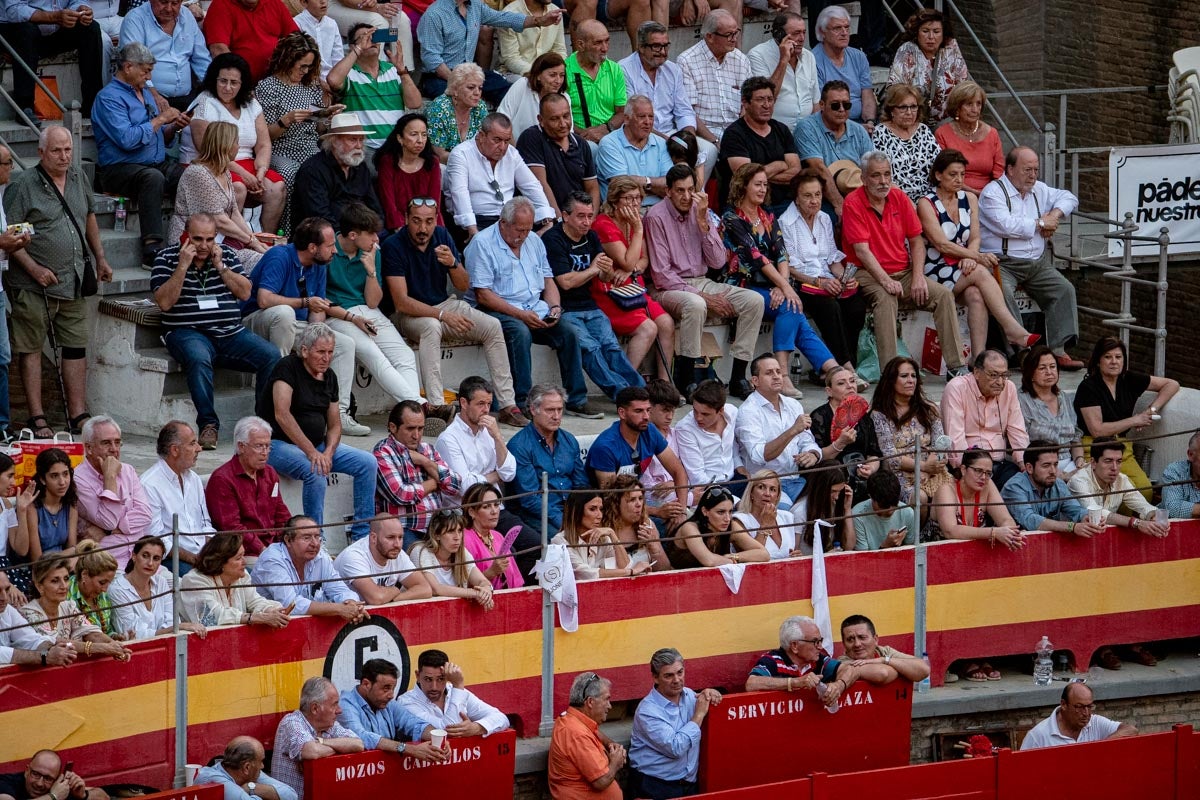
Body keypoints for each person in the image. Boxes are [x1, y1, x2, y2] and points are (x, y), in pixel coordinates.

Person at [4, 126, 111, 439]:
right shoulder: (24, 184)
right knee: (32, 347)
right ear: (41, 153)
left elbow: (89, 216)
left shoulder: (78, 176)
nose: (64, 156)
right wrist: (34, 268)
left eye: (68, 150)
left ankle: (78, 412)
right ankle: (37, 415)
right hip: (34, 283)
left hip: (74, 279)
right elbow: (10, 233)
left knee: (76, 345)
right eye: (56, 151)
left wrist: (100, 257)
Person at [384, 200, 525, 428]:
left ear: (436, 219)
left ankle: (508, 405)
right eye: (417, 221)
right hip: (408, 316)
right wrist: (441, 315)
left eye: (429, 221)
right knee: (432, 326)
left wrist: (453, 264)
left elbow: (463, 285)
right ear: (406, 219)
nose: (423, 228)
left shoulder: (442, 235)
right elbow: (401, 302)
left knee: (492, 326)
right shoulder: (394, 245)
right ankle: (436, 406)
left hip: (443, 306)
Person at [465, 198, 601, 418]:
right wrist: (520, 315)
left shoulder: (534, 241)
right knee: (520, 332)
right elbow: (483, 295)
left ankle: (576, 399)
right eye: (519, 230)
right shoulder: (482, 243)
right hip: (497, 308)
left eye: (528, 229)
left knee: (568, 331)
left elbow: (548, 280)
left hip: (533, 307)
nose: (523, 236)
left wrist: (555, 306)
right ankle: (522, 401)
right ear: (503, 223)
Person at [152, 214, 280, 449]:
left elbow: (244, 292)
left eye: (209, 239)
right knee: (199, 357)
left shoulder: (227, 255)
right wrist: (182, 266)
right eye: (197, 239)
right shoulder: (166, 258)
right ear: (185, 236)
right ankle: (209, 425)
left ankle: (261, 424)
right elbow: (164, 303)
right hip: (187, 331)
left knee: (271, 356)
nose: (203, 246)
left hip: (230, 332)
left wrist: (221, 267)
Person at [646, 164, 764, 399]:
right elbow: (661, 274)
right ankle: (687, 380)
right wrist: (703, 296)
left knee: (754, 300)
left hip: (701, 280)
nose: (687, 196)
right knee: (696, 304)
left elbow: (718, 261)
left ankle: (739, 376)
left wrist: (703, 223)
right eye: (680, 191)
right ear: (668, 191)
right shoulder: (655, 216)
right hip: (667, 287)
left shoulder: (700, 211)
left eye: (691, 190)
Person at [843, 151, 966, 375]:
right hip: (866, 272)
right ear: (863, 178)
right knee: (885, 297)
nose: (883, 181)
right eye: (876, 176)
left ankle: (956, 366)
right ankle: (892, 372)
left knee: (943, 295)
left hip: (904, 271)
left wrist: (918, 277)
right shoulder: (853, 203)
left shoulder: (899, 197)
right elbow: (862, 251)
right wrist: (885, 280)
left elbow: (916, 241)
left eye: (887, 174)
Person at [720, 163, 839, 396]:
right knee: (791, 305)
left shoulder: (767, 216)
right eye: (757, 184)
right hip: (743, 284)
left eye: (765, 184)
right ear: (743, 186)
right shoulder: (732, 218)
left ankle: (832, 370)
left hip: (771, 285)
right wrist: (786, 287)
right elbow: (756, 258)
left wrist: (780, 286)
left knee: (794, 310)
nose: (763, 189)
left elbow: (781, 253)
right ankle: (786, 375)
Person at [242, 218, 366, 436]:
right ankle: (280, 394)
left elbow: (317, 306)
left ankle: (341, 413)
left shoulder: (319, 264)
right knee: (284, 313)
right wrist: (305, 303)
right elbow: (264, 299)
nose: (334, 251)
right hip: (255, 321)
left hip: (294, 324)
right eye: (329, 246)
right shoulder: (279, 256)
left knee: (344, 344)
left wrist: (316, 337)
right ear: (312, 247)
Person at [255, 323, 379, 539]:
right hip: (277, 443)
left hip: (318, 445)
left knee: (367, 463)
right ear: (304, 351)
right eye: (321, 352)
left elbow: (335, 424)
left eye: (330, 352)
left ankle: (362, 535)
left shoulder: (329, 376)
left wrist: (329, 452)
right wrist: (312, 453)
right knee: (316, 471)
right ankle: (316, 538)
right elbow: (282, 414)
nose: (326, 357)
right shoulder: (287, 367)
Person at [325, 203, 443, 425]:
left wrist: (370, 271)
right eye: (370, 234)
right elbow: (321, 301)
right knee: (374, 355)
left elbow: (373, 301)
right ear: (352, 235)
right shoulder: (329, 250)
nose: (376, 239)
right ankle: (421, 409)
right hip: (339, 314)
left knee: (405, 356)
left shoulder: (371, 252)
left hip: (369, 310)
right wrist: (352, 318)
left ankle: (409, 415)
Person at [919, 149, 1039, 358]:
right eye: (952, 174)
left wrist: (969, 256)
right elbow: (941, 244)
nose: (959, 180)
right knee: (982, 272)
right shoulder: (926, 203)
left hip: (963, 265)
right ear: (938, 175)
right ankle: (1011, 328)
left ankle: (978, 359)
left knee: (976, 296)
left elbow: (975, 237)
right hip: (936, 267)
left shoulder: (969, 199)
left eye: (962, 175)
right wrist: (976, 257)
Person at [979, 146, 1083, 370]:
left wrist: (1053, 215)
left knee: (1064, 289)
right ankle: (1022, 352)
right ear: (1010, 169)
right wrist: (1041, 224)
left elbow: (1069, 197)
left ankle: (1058, 350)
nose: (1033, 175)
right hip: (1002, 262)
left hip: (1036, 262)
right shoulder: (993, 192)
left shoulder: (1040, 190)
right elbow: (1006, 225)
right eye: (1027, 169)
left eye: (1036, 169)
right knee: (1001, 293)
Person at [92, 43, 187, 266]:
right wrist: (161, 119)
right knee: (152, 178)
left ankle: (187, 239)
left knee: (191, 175)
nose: (149, 76)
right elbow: (127, 140)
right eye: (145, 70)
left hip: (154, 162)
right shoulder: (108, 98)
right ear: (127, 67)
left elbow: (161, 135)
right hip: (119, 168)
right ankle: (151, 249)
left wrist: (173, 126)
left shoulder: (146, 93)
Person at [544, 195, 646, 402]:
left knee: (610, 346)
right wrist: (593, 269)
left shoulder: (590, 237)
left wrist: (606, 271)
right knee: (591, 348)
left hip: (590, 305)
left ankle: (639, 390)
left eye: (590, 216)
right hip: (565, 308)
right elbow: (565, 282)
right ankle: (623, 394)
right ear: (565, 216)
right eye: (581, 216)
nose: (587, 222)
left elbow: (603, 275)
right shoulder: (553, 239)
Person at [183, 54, 285, 234]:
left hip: (246, 163)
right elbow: (208, 151)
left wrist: (260, 172)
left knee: (276, 188)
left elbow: (263, 145)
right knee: (237, 187)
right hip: (211, 164)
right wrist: (245, 175)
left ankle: (265, 240)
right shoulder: (204, 102)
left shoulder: (251, 103)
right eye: (223, 81)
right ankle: (231, 242)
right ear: (214, 79)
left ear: (242, 83)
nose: (227, 88)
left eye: (234, 83)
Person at [779, 171, 867, 373]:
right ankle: (843, 368)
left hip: (826, 280)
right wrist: (819, 282)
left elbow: (831, 259)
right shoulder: (786, 222)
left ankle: (845, 363)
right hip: (802, 283)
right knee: (830, 307)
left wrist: (844, 277)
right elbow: (790, 267)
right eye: (807, 196)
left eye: (817, 195)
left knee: (856, 304)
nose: (814, 201)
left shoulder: (824, 218)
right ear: (797, 198)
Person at [256, 33, 342, 231]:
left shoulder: (310, 85)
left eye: (309, 66)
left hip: (310, 145)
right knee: (291, 172)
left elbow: (317, 129)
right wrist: (286, 120)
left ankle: (325, 229)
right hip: (280, 148)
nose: (305, 70)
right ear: (287, 60)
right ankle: (286, 231)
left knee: (329, 169)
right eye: (301, 66)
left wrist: (326, 116)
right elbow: (264, 136)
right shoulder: (268, 87)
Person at [1073, 336, 1179, 495]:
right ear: (1098, 361)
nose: (1114, 361)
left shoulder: (1128, 379)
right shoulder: (1089, 387)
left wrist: (1150, 411)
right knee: (1116, 494)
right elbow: (1097, 430)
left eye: (1118, 357)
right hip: (1094, 448)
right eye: (1107, 357)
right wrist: (1134, 420)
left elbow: (1172, 384)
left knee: (1145, 491)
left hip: (1122, 448)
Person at [591, 179, 674, 382]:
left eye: (637, 198)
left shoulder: (635, 220)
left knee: (666, 322)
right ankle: (625, 383)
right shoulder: (604, 224)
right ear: (615, 200)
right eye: (628, 198)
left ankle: (663, 383)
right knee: (648, 327)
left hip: (633, 286)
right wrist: (637, 230)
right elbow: (627, 261)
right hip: (610, 289)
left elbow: (643, 260)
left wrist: (632, 270)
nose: (634, 204)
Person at [416, 0, 562, 105]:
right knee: (455, 101)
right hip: (441, 76)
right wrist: (457, 81)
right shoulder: (434, 14)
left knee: (510, 93)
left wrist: (539, 21)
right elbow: (431, 58)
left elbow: (504, 18)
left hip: (469, 72)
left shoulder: (475, 6)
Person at [628, 648, 722, 799]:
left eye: (680, 672)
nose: (677, 680)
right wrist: (699, 715)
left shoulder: (690, 695)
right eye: (668, 675)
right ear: (655, 678)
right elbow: (675, 747)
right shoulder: (647, 710)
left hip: (688, 784)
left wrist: (712, 694)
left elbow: (706, 703)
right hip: (654, 786)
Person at [619, 22, 715, 169]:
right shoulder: (623, 69)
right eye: (656, 46)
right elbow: (632, 117)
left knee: (709, 151)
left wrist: (689, 138)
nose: (663, 52)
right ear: (641, 47)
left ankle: (694, 190)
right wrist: (670, 142)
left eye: (666, 46)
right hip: (642, 132)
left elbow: (684, 110)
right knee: (669, 152)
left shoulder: (673, 70)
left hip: (673, 131)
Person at [170, 122, 272, 260]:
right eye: (236, 142)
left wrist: (254, 240)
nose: (238, 146)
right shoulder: (199, 173)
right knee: (262, 261)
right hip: (193, 245)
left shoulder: (224, 171)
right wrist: (251, 242)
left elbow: (234, 213)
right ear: (226, 145)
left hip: (217, 241)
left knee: (269, 257)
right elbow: (219, 220)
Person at [447, 113, 555, 241]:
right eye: (497, 140)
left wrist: (546, 220)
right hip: (478, 220)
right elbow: (460, 193)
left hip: (510, 220)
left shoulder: (511, 153)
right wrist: (472, 229)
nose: (503, 147)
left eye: (507, 141)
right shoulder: (461, 154)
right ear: (482, 136)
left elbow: (531, 186)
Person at [734, 354, 822, 505]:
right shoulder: (748, 411)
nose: (776, 377)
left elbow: (807, 440)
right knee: (785, 515)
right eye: (769, 373)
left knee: (819, 508)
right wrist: (792, 430)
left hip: (794, 480)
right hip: (763, 485)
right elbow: (758, 455)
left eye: (778, 372)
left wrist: (812, 454)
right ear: (755, 381)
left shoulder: (793, 405)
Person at [374, 401, 461, 547]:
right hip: (404, 530)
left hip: (437, 527)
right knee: (422, 563)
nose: (416, 435)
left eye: (421, 429)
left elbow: (454, 485)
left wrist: (425, 462)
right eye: (410, 429)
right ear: (393, 427)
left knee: (465, 559)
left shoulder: (427, 450)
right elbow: (401, 495)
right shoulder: (383, 452)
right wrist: (434, 483)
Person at [205, 416, 294, 558]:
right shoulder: (222, 479)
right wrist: (264, 550)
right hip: (244, 553)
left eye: (268, 446)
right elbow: (232, 528)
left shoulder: (270, 473)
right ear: (241, 447)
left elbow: (281, 513)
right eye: (259, 446)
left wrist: (291, 541)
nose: (265, 452)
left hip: (274, 547)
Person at [252, 516, 370, 621]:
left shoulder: (320, 557)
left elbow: (341, 590)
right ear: (288, 540)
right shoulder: (272, 559)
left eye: (317, 537)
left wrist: (353, 606)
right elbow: (290, 604)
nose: (315, 543)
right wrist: (339, 609)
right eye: (306, 538)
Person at [941, 349, 1030, 488]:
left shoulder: (1009, 388)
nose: (1000, 382)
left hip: (1000, 464)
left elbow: (1017, 431)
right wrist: (970, 469)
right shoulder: (957, 388)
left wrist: (1024, 463)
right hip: (969, 467)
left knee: (1023, 485)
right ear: (977, 372)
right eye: (994, 375)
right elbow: (955, 440)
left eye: (1004, 375)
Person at [507, 384, 589, 532]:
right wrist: (565, 522)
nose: (556, 416)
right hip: (537, 515)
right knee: (562, 544)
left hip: (570, 511)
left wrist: (581, 515)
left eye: (560, 409)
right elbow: (530, 500)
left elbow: (581, 484)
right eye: (550, 410)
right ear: (533, 410)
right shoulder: (519, 446)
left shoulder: (569, 440)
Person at [870, 356, 951, 505]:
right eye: (904, 376)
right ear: (891, 380)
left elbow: (941, 443)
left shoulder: (929, 409)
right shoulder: (880, 414)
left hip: (934, 470)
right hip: (900, 474)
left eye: (914, 376)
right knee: (920, 498)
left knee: (951, 496)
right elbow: (891, 456)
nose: (911, 380)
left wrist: (931, 467)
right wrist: (923, 467)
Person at [326, 24, 421, 151]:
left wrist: (403, 72)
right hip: (363, 147)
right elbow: (332, 80)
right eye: (364, 37)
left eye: (374, 36)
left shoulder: (393, 70)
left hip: (396, 146)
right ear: (352, 46)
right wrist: (358, 49)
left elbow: (415, 103)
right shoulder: (349, 72)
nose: (371, 41)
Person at [73, 416, 153, 568]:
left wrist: (115, 529)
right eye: (106, 443)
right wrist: (109, 478)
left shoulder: (128, 470)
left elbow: (146, 514)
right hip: (108, 564)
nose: (114, 449)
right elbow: (108, 521)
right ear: (89, 448)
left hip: (139, 558)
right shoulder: (78, 479)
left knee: (177, 585)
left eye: (117, 442)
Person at [0, 0, 103, 117]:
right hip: (17, 30)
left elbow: (76, 1)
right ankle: (25, 107)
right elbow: (14, 10)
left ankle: (92, 106)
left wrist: (80, 9)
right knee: (26, 31)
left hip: (54, 29)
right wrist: (53, 17)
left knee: (91, 29)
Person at [716, 78, 802, 213]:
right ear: (745, 102)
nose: (766, 105)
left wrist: (760, 176)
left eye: (770, 99)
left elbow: (796, 171)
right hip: (745, 206)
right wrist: (779, 165)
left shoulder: (781, 130)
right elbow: (745, 177)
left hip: (784, 203)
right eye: (760, 99)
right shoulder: (734, 134)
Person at [140, 421, 217, 571]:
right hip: (173, 560)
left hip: (202, 555)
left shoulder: (193, 478)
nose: (199, 448)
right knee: (206, 583)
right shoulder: (149, 484)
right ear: (175, 450)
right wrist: (195, 559)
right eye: (192, 443)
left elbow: (205, 523)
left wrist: (211, 553)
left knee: (244, 575)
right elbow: (156, 539)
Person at [21, 557, 132, 660]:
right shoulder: (29, 613)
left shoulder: (69, 606)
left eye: (66, 579)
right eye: (55, 581)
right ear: (40, 586)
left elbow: (92, 633)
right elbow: (54, 643)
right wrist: (101, 648)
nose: (64, 586)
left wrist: (115, 647)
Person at [337, 658, 448, 761]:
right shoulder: (345, 705)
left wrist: (438, 739)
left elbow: (415, 724)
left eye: (393, 688)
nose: (391, 695)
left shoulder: (388, 703)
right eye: (386, 688)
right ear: (366, 684)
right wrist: (408, 749)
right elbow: (360, 738)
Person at [271, 677, 363, 798]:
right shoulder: (291, 722)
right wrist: (340, 748)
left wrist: (321, 742)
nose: (339, 710)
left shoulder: (330, 725)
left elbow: (358, 744)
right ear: (315, 708)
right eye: (334, 704)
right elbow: (312, 751)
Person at [792, 81, 873, 217]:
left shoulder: (858, 130)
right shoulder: (807, 127)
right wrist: (840, 205)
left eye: (846, 105)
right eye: (835, 105)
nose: (842, 109)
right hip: (822, 195)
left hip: (858, 191)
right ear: (822, 105)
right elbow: (818, 168)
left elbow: (871, 167)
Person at [293, 112, 386, 227]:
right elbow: (320, 216)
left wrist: (375, 230)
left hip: (361, 233)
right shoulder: (313, 170)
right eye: (352, 140)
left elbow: (375, 207)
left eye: (361, 140)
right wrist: (352, 236)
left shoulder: (360, 167)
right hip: (326, 237)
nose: (359, 146)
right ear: (334, 141)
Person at [745, 615, 860, 707]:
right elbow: (751, 684)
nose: (820, 646)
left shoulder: (818, 659)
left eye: (820, 641)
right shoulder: (772, 661)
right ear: (794, 646)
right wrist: (796, 682)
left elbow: (850, 669)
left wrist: (838, 686)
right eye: (815, 641)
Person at [179, 533, 290, 626]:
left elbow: (255, 601)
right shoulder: (194, 580)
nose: (244, 562)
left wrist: (270, 610)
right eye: (238, 558)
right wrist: (254, 618)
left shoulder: (241, 575)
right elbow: (211, 617)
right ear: (220, 562)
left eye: (243, 555)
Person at [119, 0, 211, 111]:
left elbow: (202, 60)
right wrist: (154, 96)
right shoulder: (135, 19)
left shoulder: (186, 16)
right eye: (163, 2)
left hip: (188, 98)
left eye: (174, 3)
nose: (168, 8)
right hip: (147, 98)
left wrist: (213, 90)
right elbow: (133, 64)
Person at [1068, 437, 1169, 537]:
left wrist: (1154, 515)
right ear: (1093, 462)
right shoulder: (1078, 481)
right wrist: (1137, 523)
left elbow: (1142, 504)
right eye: (1108, 461)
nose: (1115, 468)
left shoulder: (1121, 479)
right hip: (1072, 540)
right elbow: (1097, 514)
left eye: (1119, 461)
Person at [677, 11, 751, 147]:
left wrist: (740, 134)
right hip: (705, 135)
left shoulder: (741, 59)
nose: (734, 39)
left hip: (737, 133)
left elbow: (747, 103)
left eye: (736, 32)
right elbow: (688, 112)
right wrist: (715, 141)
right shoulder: (687, 61)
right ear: (710, 37)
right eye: (729, 35)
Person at [397, 648, 512, 736]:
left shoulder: (456, 692)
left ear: (447, 677)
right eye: (428, 679)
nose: (434, 687)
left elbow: (501, 718)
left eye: (440, 679)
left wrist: (476, 728)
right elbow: (446, 731)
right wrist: (458, 685)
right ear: (417, 675)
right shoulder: (406, 702)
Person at [110, 536, 206, 639]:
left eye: (156, 558)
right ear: (134, 556)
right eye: (145, 556)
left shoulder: (161, 582)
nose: (150, 563)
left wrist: (174, 627)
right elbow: (133, 634)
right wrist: (179, 627)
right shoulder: (117, 589)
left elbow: (172, 620)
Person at [547, 671, 625, 800]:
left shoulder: (571, 718)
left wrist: (609, 743)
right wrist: (615, 762)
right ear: (590, 702)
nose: (610, 706)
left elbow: (594, 731)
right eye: (606, 699)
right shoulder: (577, 734)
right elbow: (601, 782)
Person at [520, 94, 601, 218]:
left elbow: (592, 187)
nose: (563, 124)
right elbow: (540, 184)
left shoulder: (581, 144)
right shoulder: (532, 138)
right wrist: (560, 222)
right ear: (541, 120)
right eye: (554, 119)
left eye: (566, 116)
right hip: (549, 220)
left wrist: (590, 219)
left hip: (579, 221)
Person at [932, 448, 1026, 551]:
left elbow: (1005, 519)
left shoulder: (987, 484)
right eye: (978, 471)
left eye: (988, 473)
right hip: (939, 555)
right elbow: (950, 531)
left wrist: (1010, 533)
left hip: (973, 555)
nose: (983, 477)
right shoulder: (946, 490)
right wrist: (993, 532)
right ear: (963, 469)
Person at [886, 9, 969, 124]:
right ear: (917, 33)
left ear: (943, 33)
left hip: (947, 121)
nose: (931, 37)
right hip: (913, 121)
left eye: (936, 31)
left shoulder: (951, 48)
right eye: (925, 31)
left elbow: (964, 86)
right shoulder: (908, 50)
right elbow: (895, 90)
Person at [1001, 440, 1100, 535]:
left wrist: (1086, 517)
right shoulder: (1014, 487)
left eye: (1055, 464)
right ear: (1029, 468)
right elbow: (1030, 520)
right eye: (1046, 465)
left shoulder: (1058, 484)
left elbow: (1076, 510)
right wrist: (1071, 527)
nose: (1053, 471)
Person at [1018, 344, 1086, 478]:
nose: (1049, 372)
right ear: (1030, 373)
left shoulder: (1063, 397)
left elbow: (1075, 439)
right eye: (1042, 368)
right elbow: (1022, 443)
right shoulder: (1021, 400)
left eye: (1053, 367)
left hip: (1070, 463)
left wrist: (1079, 460)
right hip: (1040, 467)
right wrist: (1057, 473)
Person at [553, 489, 649, 580]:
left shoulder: (604, 538)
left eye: (601, 509)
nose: (600, 515)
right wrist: (631, 571)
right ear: (576, 512)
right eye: (592, 509)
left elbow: (625, 567)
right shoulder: (560, 541)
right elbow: (584, 573)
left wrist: (613, 535)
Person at [333, 515, 432, 603]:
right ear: (373, 538)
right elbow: (376, 598)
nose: (397, 544)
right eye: (390, 537)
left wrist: (396, 597)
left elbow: (425, 589)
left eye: (400, 537)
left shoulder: (396, 553)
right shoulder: (354, 556)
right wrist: (395, 590)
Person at [748, 13, 820, 133]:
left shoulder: (809, 56)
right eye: (796, 33)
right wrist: (783, 60)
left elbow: (815, 103)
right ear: (779, 34)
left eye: (804, 32)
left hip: (807, 131)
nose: (802, 38)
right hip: (773, 132)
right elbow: (767, 97)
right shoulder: (757, 55)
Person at [410, 509, 495, 609]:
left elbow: (482, 581)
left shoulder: (462, 552)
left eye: (459, 531)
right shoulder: (420, 551)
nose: (457, 537)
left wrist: (486, 591)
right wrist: (475, 593)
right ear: (436, 535)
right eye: (450, 531)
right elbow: (436, 589)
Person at [869, 83, 940, 202]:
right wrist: (908, 204)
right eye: (903, 107)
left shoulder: (923, 130)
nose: (909, 112)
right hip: (896, 197)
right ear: (892, 110)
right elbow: (882, 174)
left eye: (913, 107)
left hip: (929, 197)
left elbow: (939, 164)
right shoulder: (881, 133)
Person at [669, 485, 768, 569]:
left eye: (730, 511)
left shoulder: (731, 525)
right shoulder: (690, 528)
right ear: (705, 511)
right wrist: (731, 561)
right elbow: (709, 561)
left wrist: (734, 556)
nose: (727, 518)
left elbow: (764, 554)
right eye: (721, 512)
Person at [596, 96, 671, 203]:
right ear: (627, 119)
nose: (648, 122)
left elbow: (670, 186)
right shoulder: (610, 143)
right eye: (641, 116)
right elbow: (622, 188)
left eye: (651, 117)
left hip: (659, 210)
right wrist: (656, 186)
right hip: (625, 211)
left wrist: (643, 181)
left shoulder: (661, 143)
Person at [563, 21, 627, 146]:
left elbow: (622, 112)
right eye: (598, 43)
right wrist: (585, 136)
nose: (605, 48)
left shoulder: (615, 69)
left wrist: (605, 129)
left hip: (610, 134)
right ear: (581, 45)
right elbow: (559, 115)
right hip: (577, 138)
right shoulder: (564, 70)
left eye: (607, 41)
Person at [808, 365, 879, 478]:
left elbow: (874, 453)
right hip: (831, 475)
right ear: (829, 391)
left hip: (861, 473)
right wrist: (841, 443)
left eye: (852, 381)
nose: (850, 386)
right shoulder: (819, 417)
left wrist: (871, 468)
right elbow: (817, 457)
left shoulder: (863, 415)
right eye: (841, 383)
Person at [673, 380, 744, 491]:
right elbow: (698, 478)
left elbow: (732, 444)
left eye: (705, 414)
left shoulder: (732, 412)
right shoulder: (685, 429)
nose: (698, 418)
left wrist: (739, 465)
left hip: (734, 478)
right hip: (709, 489)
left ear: (721, 410)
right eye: (695, 411)